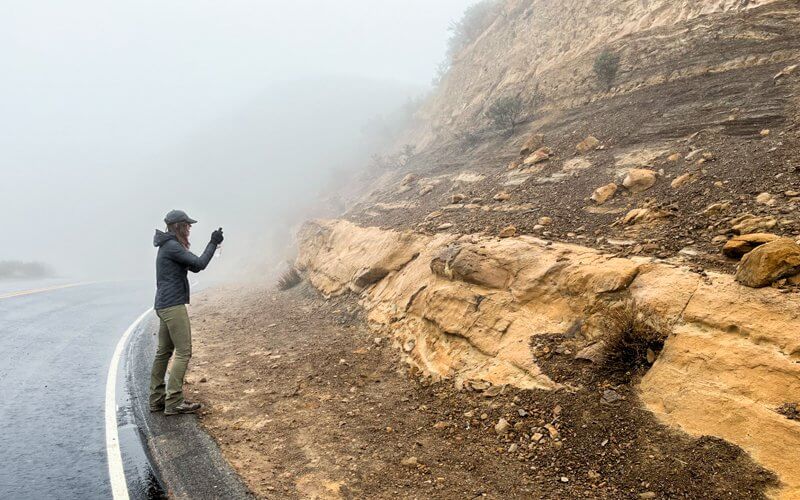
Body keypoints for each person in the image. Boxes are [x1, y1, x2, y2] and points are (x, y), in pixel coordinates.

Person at [149, 209, 224, 415]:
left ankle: (156, 399)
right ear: (178, 226)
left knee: (164, 352)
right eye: (187, 225)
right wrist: (212, 243)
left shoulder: (168, 245)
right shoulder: (172, 246)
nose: (190, 228)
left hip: (163, 304)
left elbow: (193, 267)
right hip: (173, 306)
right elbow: (199, 265)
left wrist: (213, 244)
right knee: (184, 351)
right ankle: (173, 401)